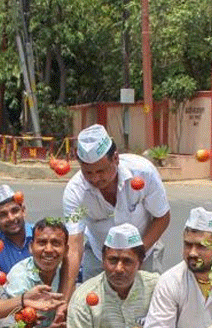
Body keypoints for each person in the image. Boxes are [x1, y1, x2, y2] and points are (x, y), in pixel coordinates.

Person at [60, 124, 170, 302]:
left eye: (101, 171)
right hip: (99, 255)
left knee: (147, 308)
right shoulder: (75, 192)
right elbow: (74, 246)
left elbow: (162, 217)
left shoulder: (143, 172)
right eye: (88, 172)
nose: (95, 179)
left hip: (145, 250)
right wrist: (65, 299)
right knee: (94, 308)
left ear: (116, 159)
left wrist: (138, 255)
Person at [0, 184, 33, 283]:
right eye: (3, 215)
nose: (11, 218)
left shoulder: (39, 234)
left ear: (23, 211)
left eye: (15, 211)